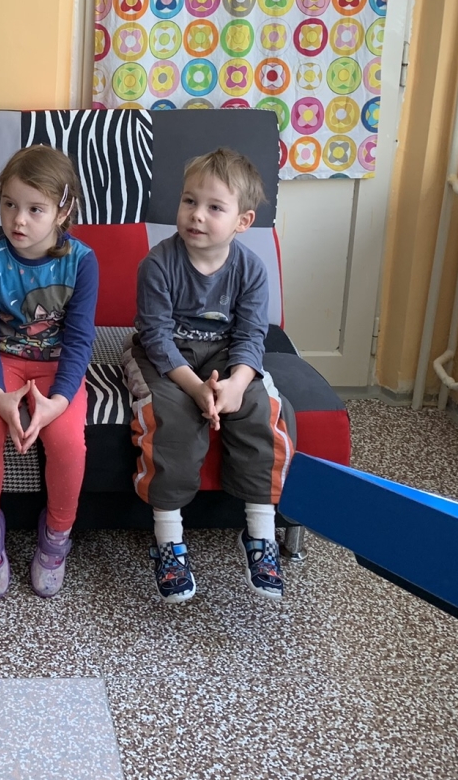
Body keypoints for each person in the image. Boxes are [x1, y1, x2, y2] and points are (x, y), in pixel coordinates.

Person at [132, 148, 295, 604]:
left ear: (243, 221)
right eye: (189, 201)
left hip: (226, 356)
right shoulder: (158, 264)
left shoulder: (251, 270)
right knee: (173, 417)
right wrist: (196, 389)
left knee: (260, 410)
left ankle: (260, 535)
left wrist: (237, 384)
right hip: (169, 356)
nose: (196, 215)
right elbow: (156, 337)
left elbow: (251, 335)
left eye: (214, 207)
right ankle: (168, 541)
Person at [0, 146, 97, 599]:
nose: (18, 220)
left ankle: (56, 536)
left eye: (35, 209)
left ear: (64, 210)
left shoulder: (82, 262)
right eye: (9, 204)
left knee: (67, 443)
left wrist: (57, 403)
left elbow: (79, 341)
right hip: (2, 364)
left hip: (57, 367)